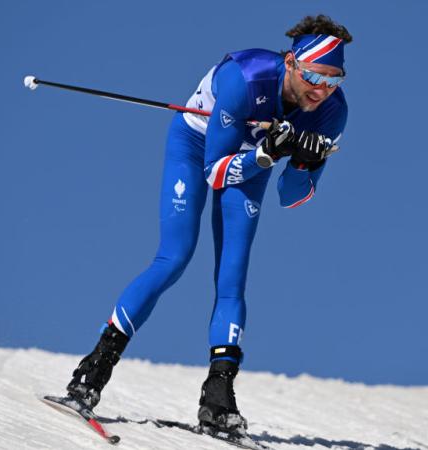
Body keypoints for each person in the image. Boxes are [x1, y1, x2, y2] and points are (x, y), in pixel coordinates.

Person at [64, 14, 351, 436]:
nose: (321, 89)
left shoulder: (332, 113)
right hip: (197, 145)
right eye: (313, 75)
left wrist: (308, 161)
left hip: (253, 163)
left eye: (333, 80)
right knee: (174, 257)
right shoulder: (246, 78)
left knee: (232, 277)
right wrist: (268, 154)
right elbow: (215, 172)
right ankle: (93, 371)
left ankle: (218, 397)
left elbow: (291, 197)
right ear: (291, 62)